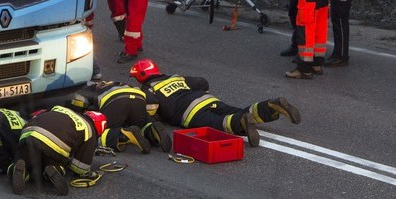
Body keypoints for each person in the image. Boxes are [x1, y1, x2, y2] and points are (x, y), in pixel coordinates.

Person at [129, 58, 301, 147]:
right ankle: (270, 106)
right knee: (239, 110)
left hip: (191, 114)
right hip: (209, 100)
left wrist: (156, 116)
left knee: (219, 124)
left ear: (141, 77)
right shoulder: (176, 77)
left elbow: (150, 106)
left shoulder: (148, 90)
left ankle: (241, 122)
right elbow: (201, 82)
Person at [10, 106, 105, 196]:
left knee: (23, 156)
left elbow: (39, 114)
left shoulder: (59, 108)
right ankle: (54, 169)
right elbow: (79, 168)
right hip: (54, 145)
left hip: (29, 133)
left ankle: (20, 169)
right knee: (54, 158)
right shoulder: (89, 130)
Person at [68, 79, 173, 153]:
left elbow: (79, 102)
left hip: (115, 100)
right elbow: (150, 102)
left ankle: (124, 135)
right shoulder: (116, 83)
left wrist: (79, 113)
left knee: (99, 133)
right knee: (141, 126)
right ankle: (152, 131)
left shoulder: (88, 88)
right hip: (139, 98)